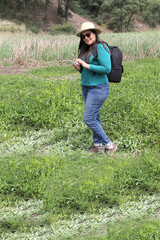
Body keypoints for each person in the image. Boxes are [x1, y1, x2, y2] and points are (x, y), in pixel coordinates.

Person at [74, 22, 117, 154]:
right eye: (83, 36)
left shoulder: (101, 47)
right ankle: (97, 144)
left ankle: (109, 144)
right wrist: (80, 69)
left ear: (95, 33)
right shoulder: (86, 50)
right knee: (95, 117)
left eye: (88, 34)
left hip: (99, 88)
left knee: (88, 118)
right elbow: (87, 72)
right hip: (86, 87)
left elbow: (106, 69)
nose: (86, 38)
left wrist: (86, 65)